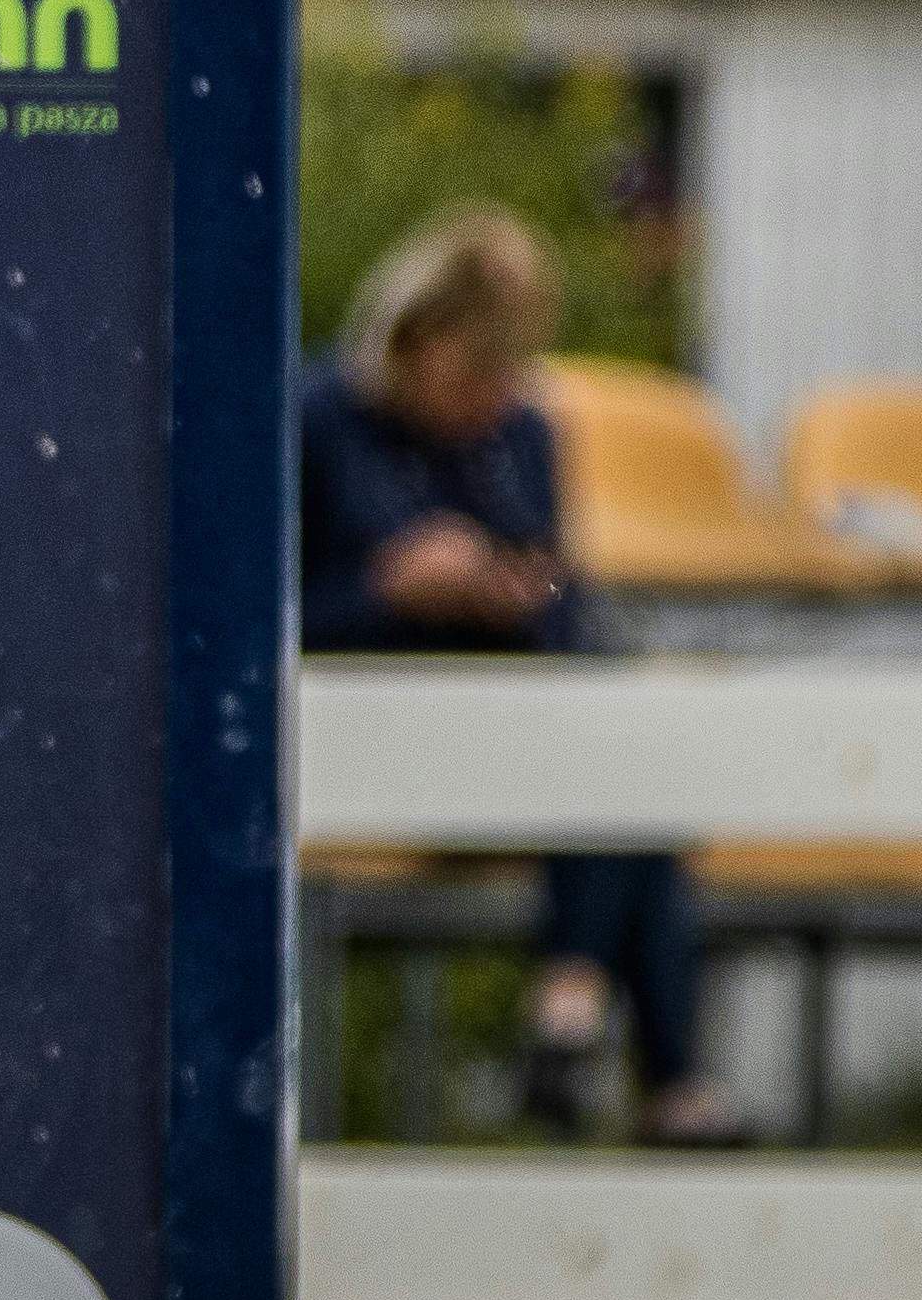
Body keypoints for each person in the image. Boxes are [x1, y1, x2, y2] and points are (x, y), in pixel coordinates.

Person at [302, 209, 746, 1145]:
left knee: (620, 758)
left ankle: (574, 1015)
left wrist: (510, 589)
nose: (492, 397)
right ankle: (649, 1068)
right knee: (627, 786)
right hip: (370, 728)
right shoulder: (316, 421)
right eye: (475, 373)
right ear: (414, 343)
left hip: (514, 723)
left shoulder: (524, 433)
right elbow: (269, 619)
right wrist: (387, 588)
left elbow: (559, 588)